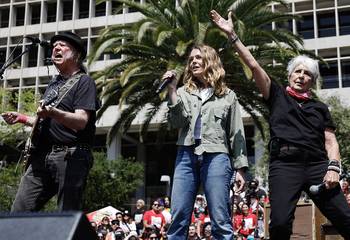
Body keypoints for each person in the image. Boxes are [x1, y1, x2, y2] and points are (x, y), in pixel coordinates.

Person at [210, 9, 350, 239]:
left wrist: (334, 168)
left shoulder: (320, 108)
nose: (301, 76)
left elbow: (331, 141)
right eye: (297, 71)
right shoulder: (276, 95)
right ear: (289, 75)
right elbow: (254, 65)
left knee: (345, 219)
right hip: (285, 165)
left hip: (318, 165)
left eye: (307, 74)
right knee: (280, 225)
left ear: (312, 82)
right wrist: (232, 35)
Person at [2, 31, 98, 212]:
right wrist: (22, 118)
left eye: (62, 45)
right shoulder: (54, 85)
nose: (56, 48)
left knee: (67, 214)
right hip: (42, 156)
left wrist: (53, 112)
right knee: (19, 211)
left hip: (71, 155)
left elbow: (81, 121)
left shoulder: (84, 82)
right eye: (54, 46)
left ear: (76, 54)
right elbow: (46, 120)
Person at [164, 44, 248, 239]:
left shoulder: (228, 96)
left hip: (217, 157)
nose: (193, 61)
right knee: (178, 217)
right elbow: (176, 122)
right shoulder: (183, 92)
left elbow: (237, 133)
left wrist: (241, 169)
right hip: (186, 156)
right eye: (191, 59)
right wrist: (172, 90)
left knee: (220, 219)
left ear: (210, 61)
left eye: (198, 58)